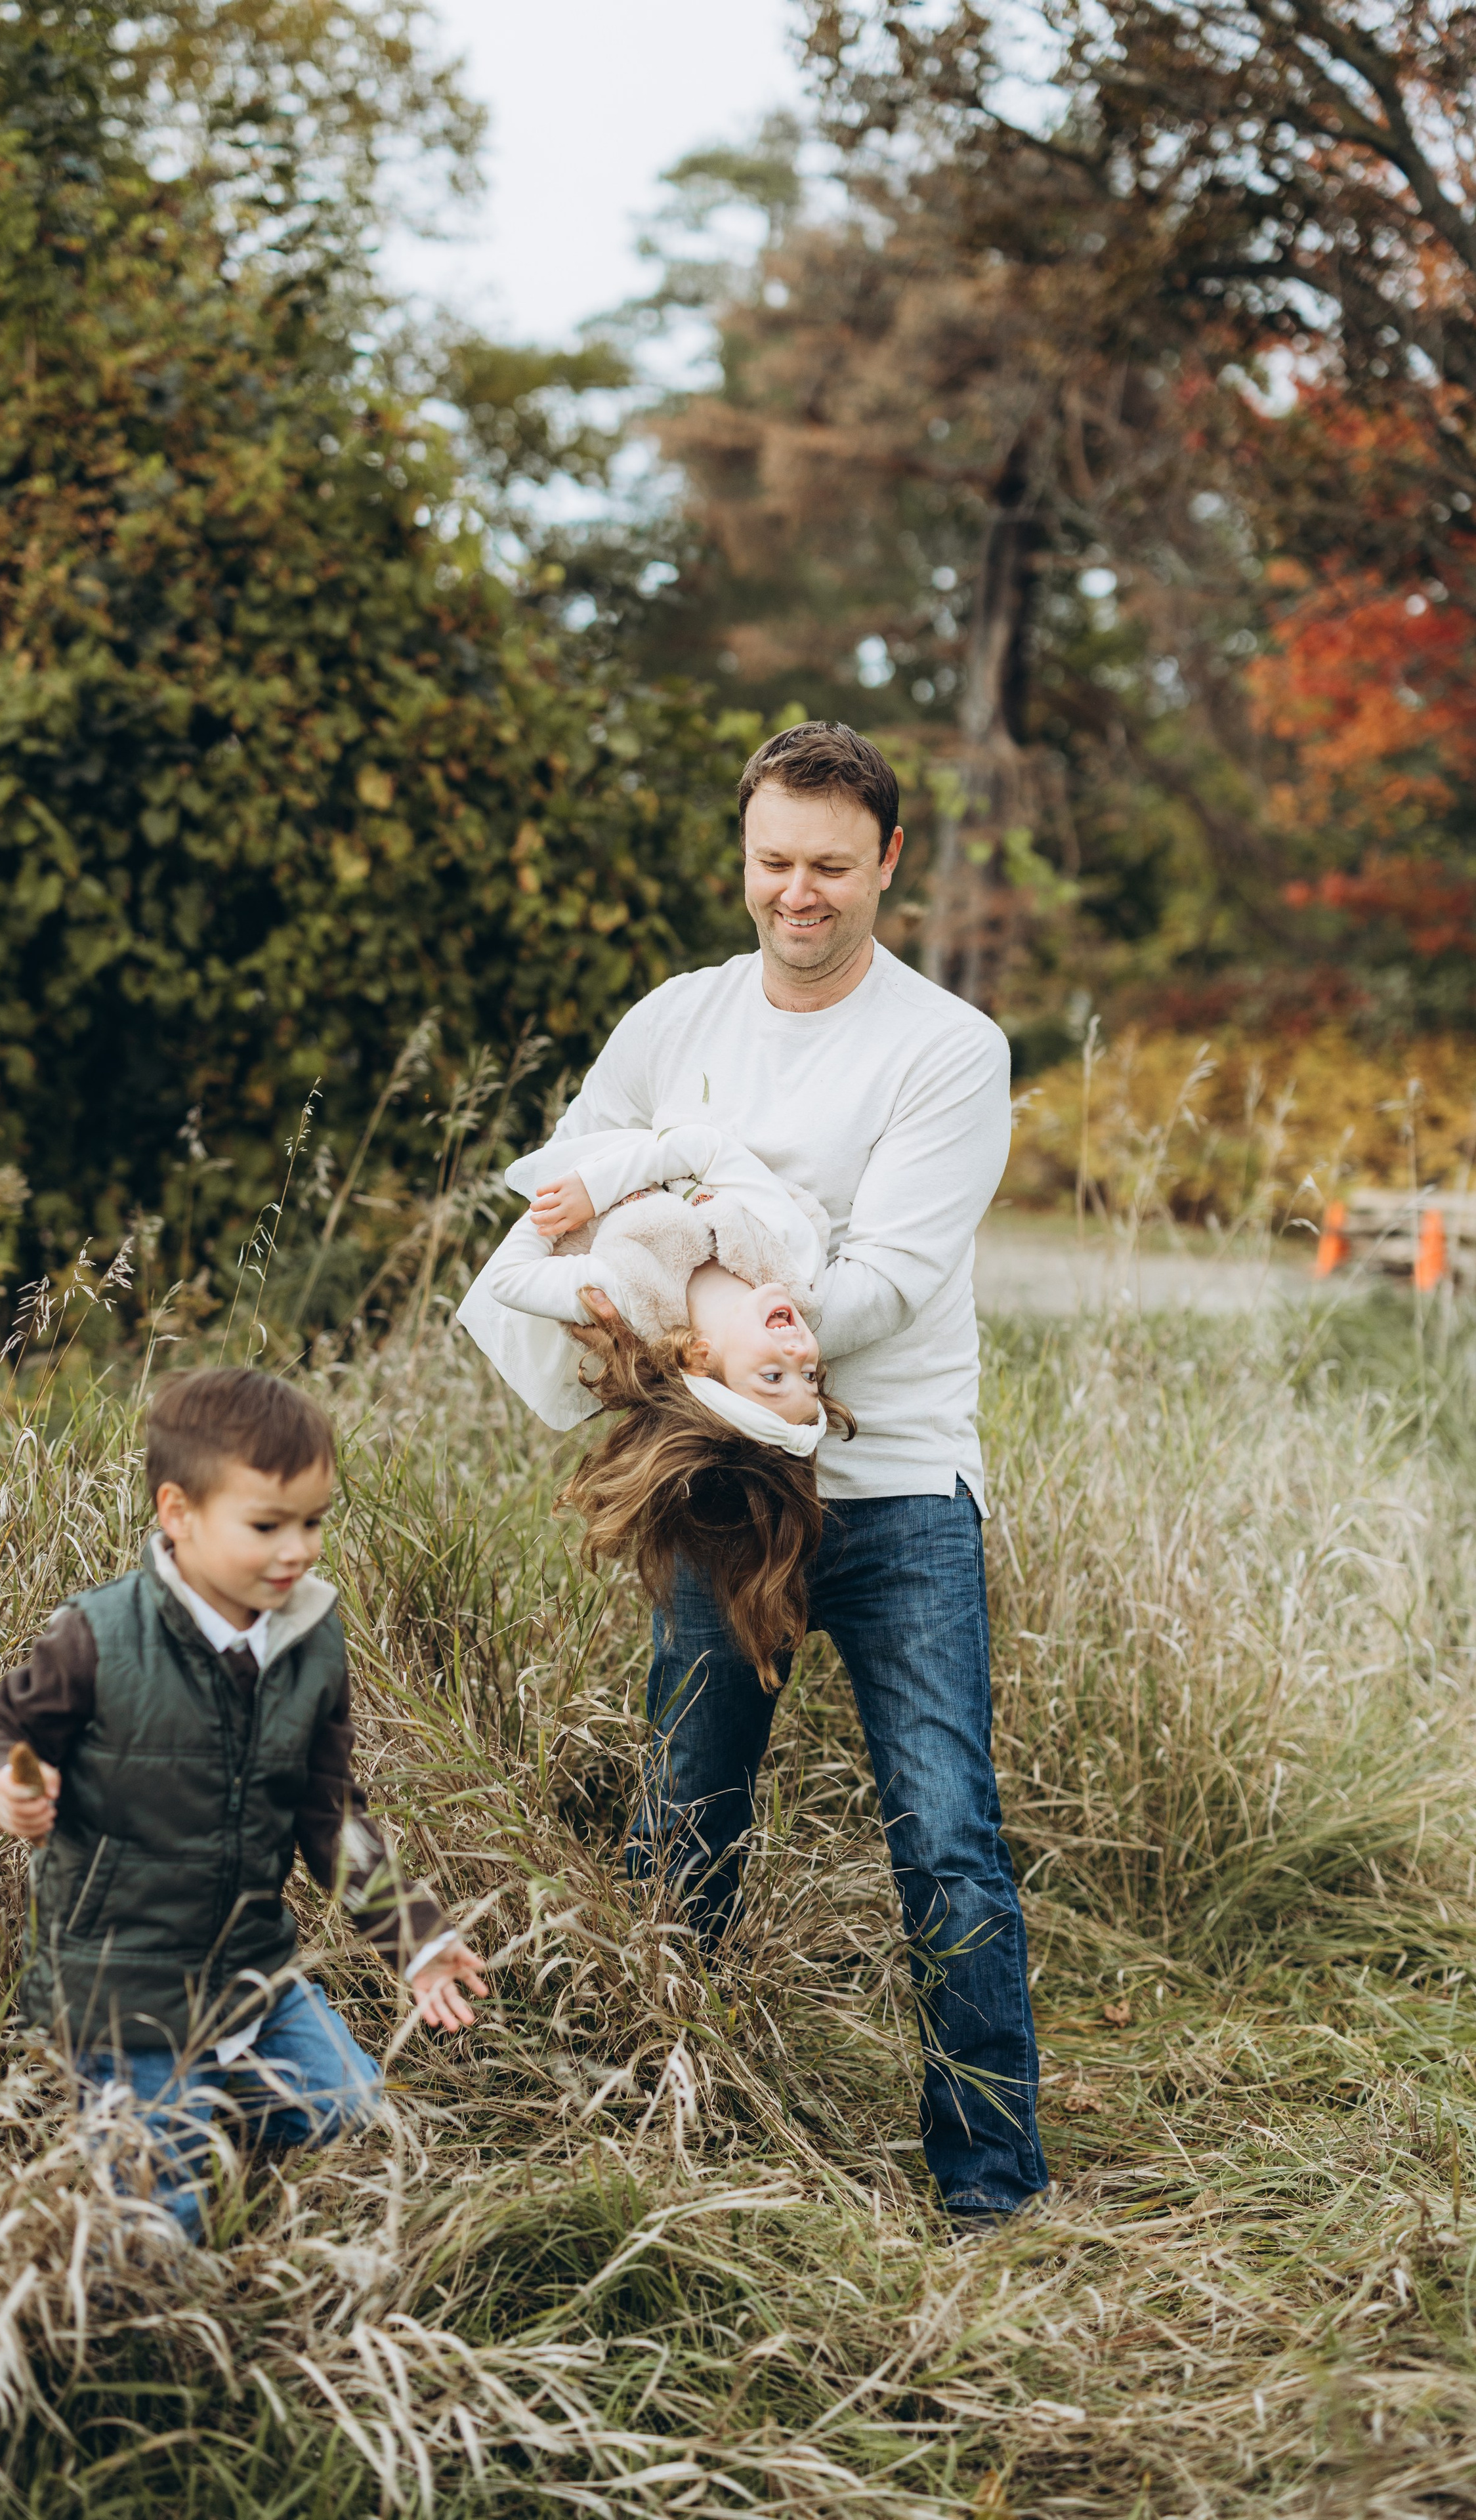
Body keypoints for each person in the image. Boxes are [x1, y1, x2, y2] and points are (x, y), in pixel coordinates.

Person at [474, 719, 1047, 2230]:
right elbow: (567, 1192)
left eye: (830, 868)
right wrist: (637, 1242)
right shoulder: (680, 1019)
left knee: (942, 1831)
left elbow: (879, 1287)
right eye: (771, 862)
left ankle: (988, 2184)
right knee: (684, 1813)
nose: (797, 894)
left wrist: (705, 1298)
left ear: (888, 865)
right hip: (719, 1489)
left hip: (896, 1484)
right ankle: (670, 2135)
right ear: (743, 854)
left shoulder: (946, 1046)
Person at [0, 1366, 488, 2240]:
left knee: (353, 2108)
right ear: (180, 1514)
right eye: (268, 1525)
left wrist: (417, 1936)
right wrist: (9, 1785)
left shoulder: (311, 1639)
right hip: (122, 1986)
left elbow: (333, 1816)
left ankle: (200, 2092)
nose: (300, 1549)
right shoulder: (98, 1634)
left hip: (251, 1975)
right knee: (162, 2216)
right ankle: (139, 2116)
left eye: (314, 1522)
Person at [460, 1114, 855, 1682]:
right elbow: (709, 1145)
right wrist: (604, 1184)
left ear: (700, 1359)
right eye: (811, 1376)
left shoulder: (629, 1301)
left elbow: (508, 1280)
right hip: (623, 1158)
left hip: (577, 1185)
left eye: (774, 1377)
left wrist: (555, 1210)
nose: (800, 1353)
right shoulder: (793, 1259)